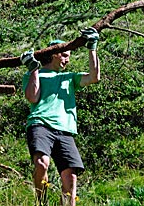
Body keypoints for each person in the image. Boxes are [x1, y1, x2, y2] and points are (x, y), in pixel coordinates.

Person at [20, 27, 100, 206]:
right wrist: (33, 69)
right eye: (64, 55)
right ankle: (41, 202)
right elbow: (32, 97)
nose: (66, 60)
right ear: (54, 54)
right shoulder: (36, 74)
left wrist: (92, 47)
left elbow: (94, 77)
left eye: (68, 57)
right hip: (40, 124)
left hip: (65, 130)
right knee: (42, 163)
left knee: (70, 176)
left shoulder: (69, 78)